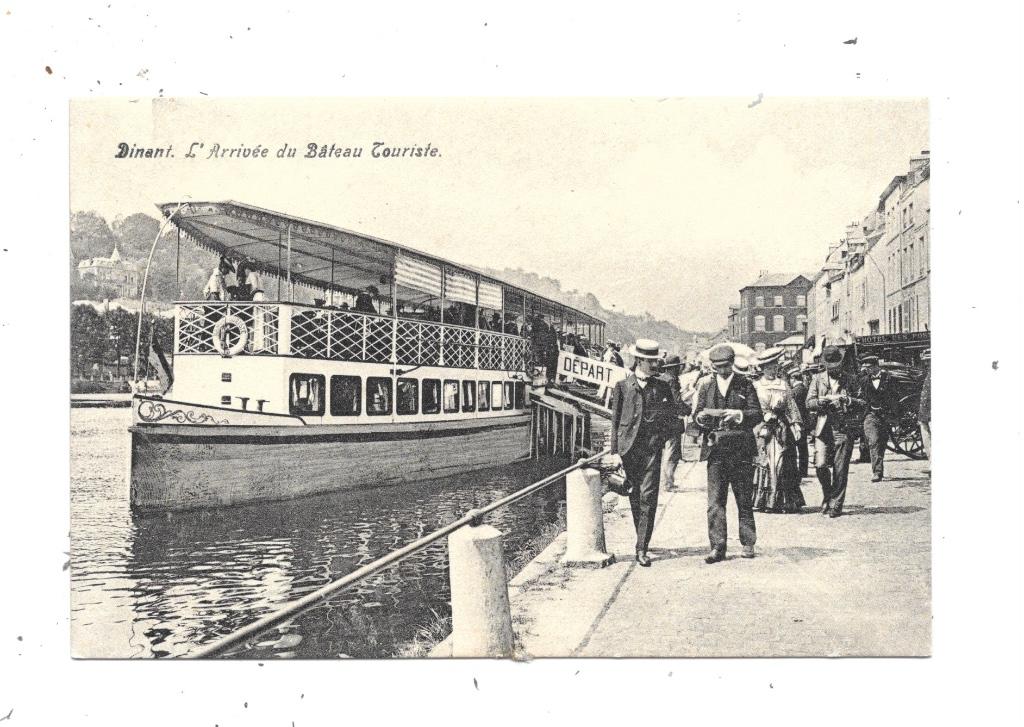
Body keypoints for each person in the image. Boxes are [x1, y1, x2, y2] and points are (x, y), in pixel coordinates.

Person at [607, 339, 681, 567]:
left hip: (651, 449)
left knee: (648, 496)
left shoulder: (662, 385)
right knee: (634, 497)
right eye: (649, 361)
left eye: (655, 361)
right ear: (639, 360)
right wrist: (614, 451)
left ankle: (641, 548)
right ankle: (642, 537)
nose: (653, 365)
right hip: (629, 449)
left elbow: (671, 416)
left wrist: (662, 438)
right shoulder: (622, 386)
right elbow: (615, 420)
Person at [693, 344, 763, 563]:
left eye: (725, 367)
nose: (721, 371)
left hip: (740, 449)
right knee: (715, 501)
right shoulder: (705, 387)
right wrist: (701, 419)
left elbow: (757, 414)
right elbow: (697, 415)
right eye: (717, 367)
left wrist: (739, 415)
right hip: (715, 451)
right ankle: (717, 547)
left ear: (732, 364)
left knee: (743, 499)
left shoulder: (745, 385)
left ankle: (748, 543)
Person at [807, 346, 867, 518]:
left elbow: (863, 402)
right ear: (825, 366)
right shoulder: (817, 379)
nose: (834, 369)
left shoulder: (851, 380)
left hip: (843, 428)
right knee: (820, 465)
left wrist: (848, 400)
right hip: (823, 428)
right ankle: (828, 494)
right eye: (830, 367)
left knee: (840, 469)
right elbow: (808, 402)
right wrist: (821, 402)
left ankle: (836, 504)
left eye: (837, 366)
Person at [751, 348, 805, 513]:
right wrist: (764, 415)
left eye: (774, 367)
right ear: (762, 368)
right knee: (765, 463)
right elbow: (752, 407)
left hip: (781, 429)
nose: (771, 370)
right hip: (763, 430)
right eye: (768, 367)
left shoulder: (783, 384)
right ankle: (764, 501)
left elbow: (791, 406)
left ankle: (784, 502)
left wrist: (796, 424)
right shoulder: (756, 386)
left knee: (783, 463)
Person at [858, 355, 895, 482]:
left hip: (885, 416)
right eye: (865, 367)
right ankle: (877, 472)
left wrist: (892, 414)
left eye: (868, 367)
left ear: (876, 366)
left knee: (882, 443)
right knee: (873, 442)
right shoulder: (863, 380)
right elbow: (861, 397)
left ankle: (879, 466)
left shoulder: (889, 379)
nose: (866, 370)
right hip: (870, 415)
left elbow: (895, 397)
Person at [658, 354, 691, 491]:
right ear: (674, 368)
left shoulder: (662, 378)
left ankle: (666, 481)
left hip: (662, 420)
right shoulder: (672, 380)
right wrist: (687, 409)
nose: (679, 370)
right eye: (678, 367)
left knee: (666, 451)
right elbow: (676, 401)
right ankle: (668, 483)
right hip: (672, 421)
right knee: (672, 452)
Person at [788, 366, 811, 477]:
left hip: (798, 422)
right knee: (803, 448)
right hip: (805, 421)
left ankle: (798, 471)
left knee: (795, 447)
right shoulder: (805, 388)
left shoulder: (794, 392)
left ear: (793, 378)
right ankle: (803, 470)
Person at [918, 349, 931, 461]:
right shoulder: (927, 376)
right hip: (924, 415)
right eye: (926, 361)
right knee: (927, 441)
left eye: (929, 361)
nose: (927, 364)